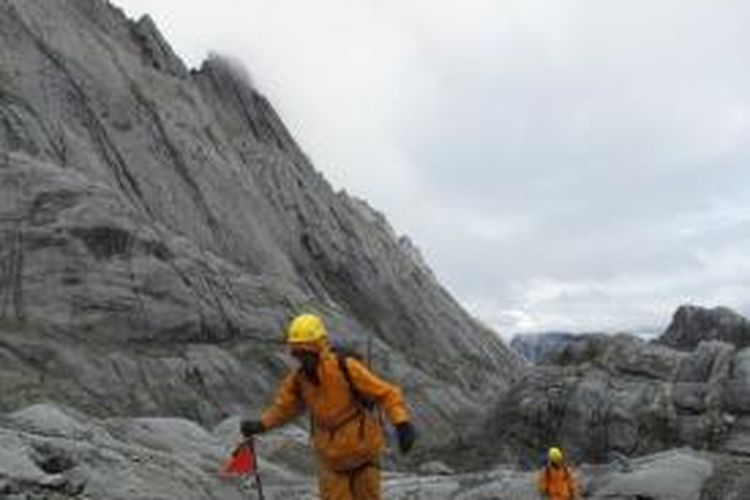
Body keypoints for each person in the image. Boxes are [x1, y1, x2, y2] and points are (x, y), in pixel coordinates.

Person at [241, 314, 416, 500]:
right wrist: (261, 425)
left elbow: (386, 393)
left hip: (363, 457)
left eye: (306, 352)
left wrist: (402, 423)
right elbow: (283, 408)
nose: (302, 358)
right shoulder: (298, 381)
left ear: (318, 348)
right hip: (331, 462)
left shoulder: (345, 367)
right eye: (298, 353)